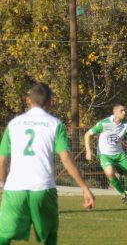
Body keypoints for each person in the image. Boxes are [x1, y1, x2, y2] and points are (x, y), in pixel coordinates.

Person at [0, 83, 95, 245]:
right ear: (50, 101)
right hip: (43, 187)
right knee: (49, 236)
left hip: (15, 188)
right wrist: (84, 187)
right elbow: (65, 158)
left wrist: (2, 184)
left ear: (28, 100)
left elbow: (2, 159)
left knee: (3, 235)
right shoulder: (54, 124)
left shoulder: (14, 124)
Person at [85, 103, 127, 204]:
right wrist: (88, 151)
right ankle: (123, 195)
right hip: (105, 154)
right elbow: (87, 134)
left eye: (125, 110)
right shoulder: (104, 123)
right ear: (114, 112)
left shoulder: (126, 124)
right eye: (121, 111)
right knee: (110, 173)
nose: (124, 112)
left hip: (119, 155)